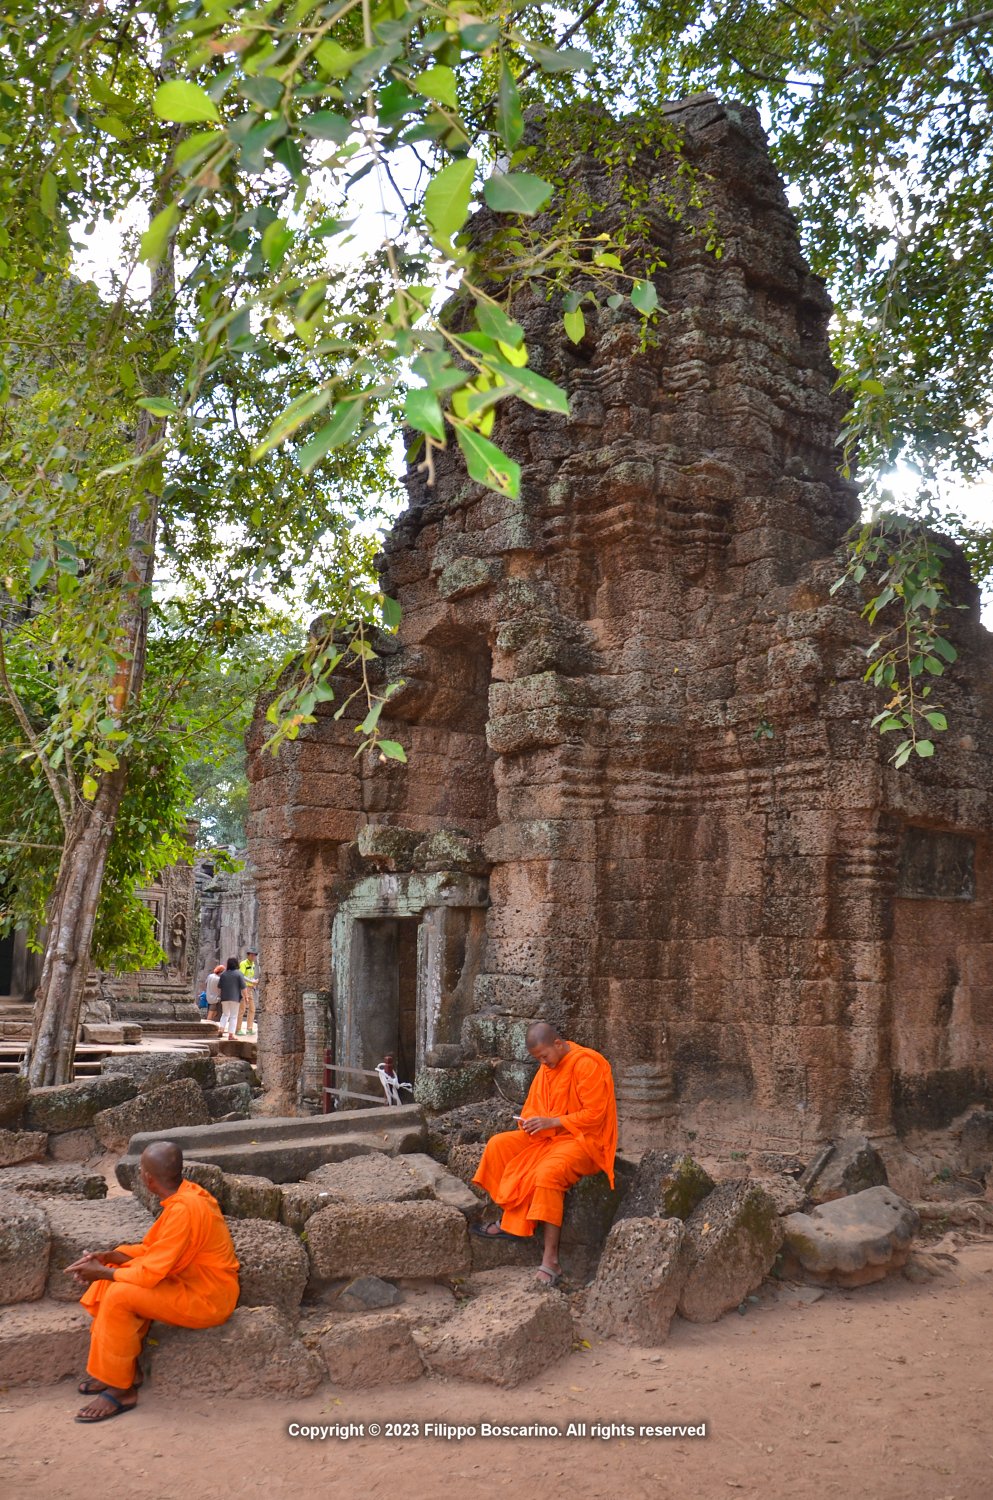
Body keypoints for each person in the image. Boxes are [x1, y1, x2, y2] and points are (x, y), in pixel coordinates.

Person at [68, 1140, 239, 1423]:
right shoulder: (186, 1196)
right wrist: (113, 1256)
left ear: (147, 1178)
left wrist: (103, 1272)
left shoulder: (186, 1208)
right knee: (114, 1275)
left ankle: (121, 1390)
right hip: (187, 1282)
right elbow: (156, 1251)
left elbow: (151, 1272)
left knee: (119, 1294)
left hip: (208, 1297)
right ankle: (123, 1372)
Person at [471, 1022, 617, 1287]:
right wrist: (529, 1121)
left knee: (548, 1173)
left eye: (545, 1056)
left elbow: (595, 1116)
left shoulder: (586, 1064)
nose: (543, 1063)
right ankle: (511, 1221)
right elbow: (534, 1106)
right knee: (498, 1145)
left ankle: (551, 1261)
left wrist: (552, 1122)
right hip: (550, 1137)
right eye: (538, 1059)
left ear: (558, 1044)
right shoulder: (547, 1067)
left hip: (584, 1141)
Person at [217, 956, 247, 1039]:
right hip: (235, 998)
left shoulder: (223, 974)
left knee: (225, 1014)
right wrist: (246, 997)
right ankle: (231, 1034)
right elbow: (243, 987)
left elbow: (219, 986)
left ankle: (221, 1029)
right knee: (233, 1016)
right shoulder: (239, 974)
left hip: (224, 998)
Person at [235, 949, 259, 1036]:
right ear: (248, 955)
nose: (253, 957)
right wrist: (252, 982)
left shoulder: (252, 964)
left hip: (250, 988)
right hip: (244, 989)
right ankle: (238, 1029)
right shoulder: (243, 963)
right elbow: (242, 976)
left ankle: (249, 1029)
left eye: (255, 955)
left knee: (252, 1009)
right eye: (252, 955)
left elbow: (249, 976)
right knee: (242, 1010)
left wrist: (253, 982)